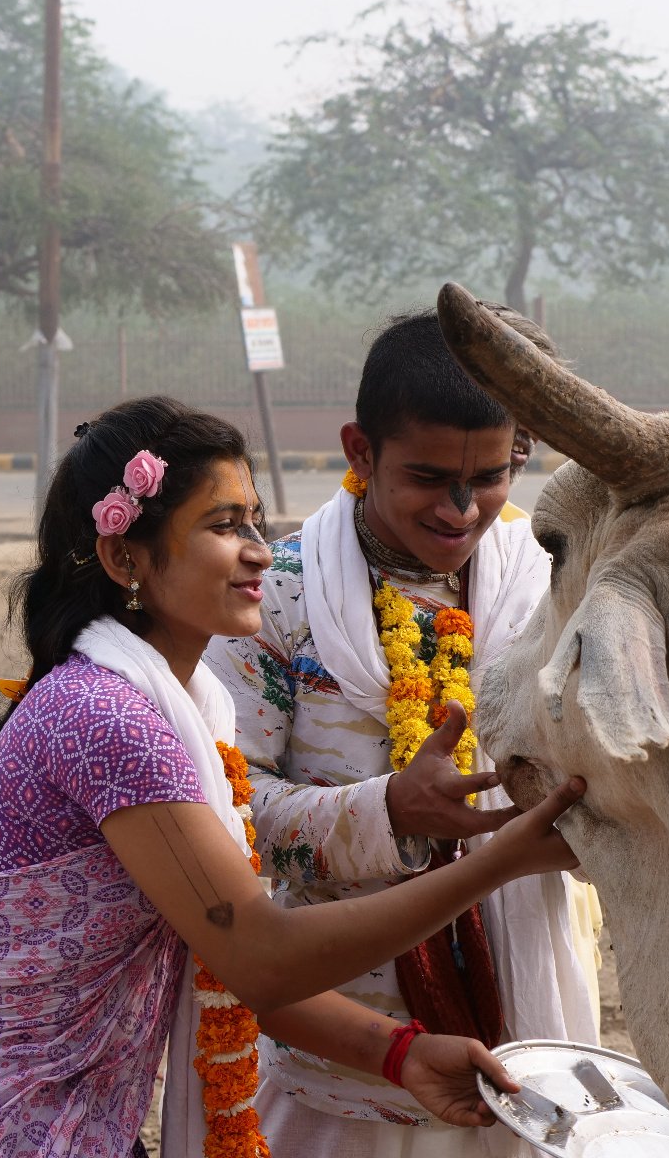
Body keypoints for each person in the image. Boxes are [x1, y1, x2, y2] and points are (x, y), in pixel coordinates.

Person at [0, 396, 585, 1158]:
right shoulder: (107, 717)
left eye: (254, 521)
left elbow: (234, 957)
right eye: (223, 527)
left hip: (57, 1112)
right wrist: (501, 860)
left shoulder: (184, 705)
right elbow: (258, 954)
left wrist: (400, 1053)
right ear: (125, 559)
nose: (259, 552)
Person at [206, 309, 604, 1157]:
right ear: (360, 451)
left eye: (490, 477)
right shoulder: (272, 599)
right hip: (341, 1058)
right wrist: (387, 811)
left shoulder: (551, 587)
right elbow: (227, 817)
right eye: (428, 478)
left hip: (523, 1040)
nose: (462, 510)